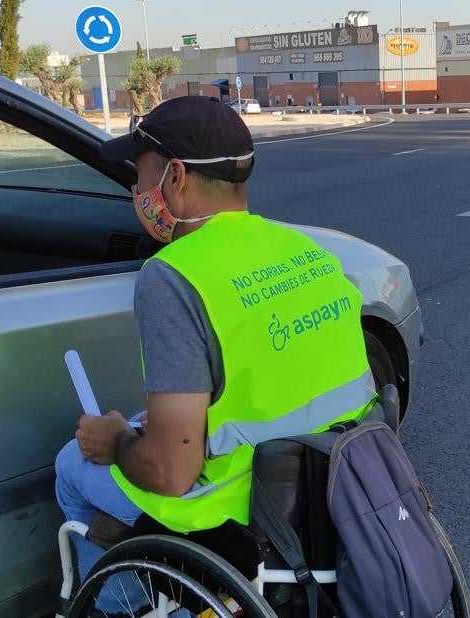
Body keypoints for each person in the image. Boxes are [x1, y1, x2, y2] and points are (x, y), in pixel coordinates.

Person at [54, 96, 376, 586]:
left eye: (140, 175)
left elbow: (171, 474)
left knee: (71, 462)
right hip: (335, 488)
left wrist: (116, 440)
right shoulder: (308, 251)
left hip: (237, 513)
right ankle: (127, 546)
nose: (137, 190)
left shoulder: (173, 276)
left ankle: (119, 599)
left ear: (176, 177)